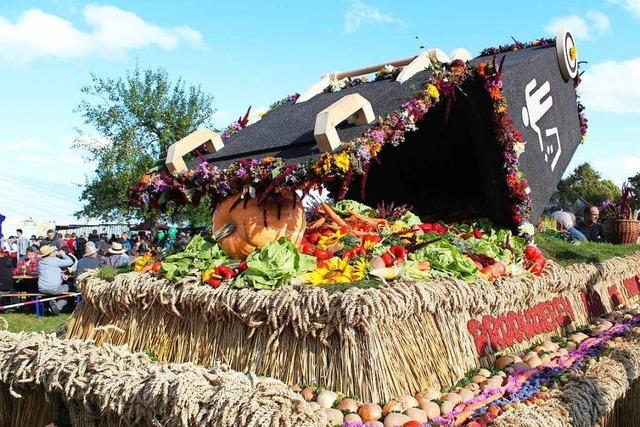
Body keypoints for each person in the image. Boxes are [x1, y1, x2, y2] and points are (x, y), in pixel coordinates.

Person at [37, 245, 73, 315]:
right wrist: (64, 255)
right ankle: (58, 306)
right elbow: (70, 262)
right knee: (70, 289)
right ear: (50, 253)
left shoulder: (40, 262)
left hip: (42, 288)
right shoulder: (55, 260)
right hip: (55, 288)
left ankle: (49, 305)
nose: (55, 252)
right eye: (53, 251)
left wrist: (61, 274)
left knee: (50, 292)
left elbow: (52, 270)